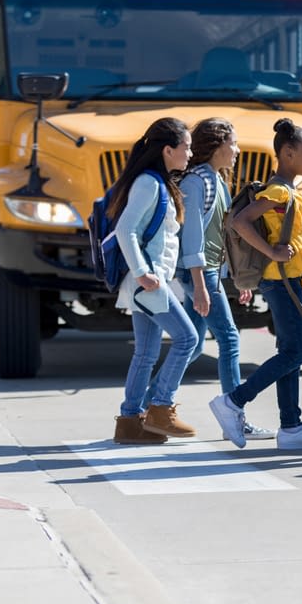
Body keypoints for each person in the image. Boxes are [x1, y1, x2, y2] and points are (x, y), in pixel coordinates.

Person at [207, 119, 302, 451]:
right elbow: (240, 221)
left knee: (290, 352)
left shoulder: (288, 190)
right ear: (288, 153)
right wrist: (271, 251)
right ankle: (233, 401)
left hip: (287, 280)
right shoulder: (278, 190)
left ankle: (291, 427)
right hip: (281, 283)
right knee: (298, 351)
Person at [175, 118, 273, 441]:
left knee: (191, 345)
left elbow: (219, 238)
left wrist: (234, 279)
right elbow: (193, 240)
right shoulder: (196, 183)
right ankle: (234, 415)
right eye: (232, 143)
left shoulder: (216, 180)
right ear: (216, 145)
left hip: (210, 273)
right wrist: (202, 285)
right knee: (229, 338)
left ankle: (152, 404)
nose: (237, 150)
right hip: (198, 273)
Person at [111, 117, 199, 444]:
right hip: (149, 282)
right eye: (186, 147)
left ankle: (131, 422)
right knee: (187, 339)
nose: (190, 153)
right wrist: (142, 272)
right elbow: (125, 229)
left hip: (147, 283)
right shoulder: (149, 183)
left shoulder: (158, 183)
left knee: (146, 354)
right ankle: (160, 407)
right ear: (167, 150)